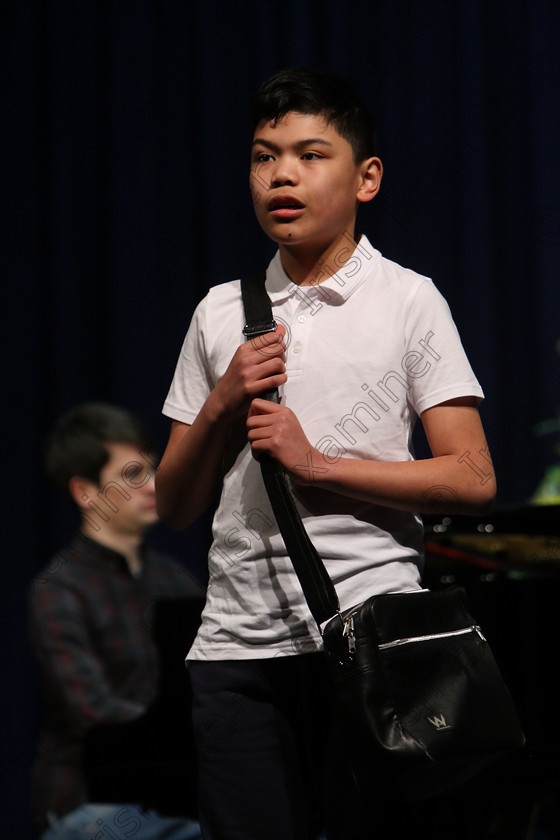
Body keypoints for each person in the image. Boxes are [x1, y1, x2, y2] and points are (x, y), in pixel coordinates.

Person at [155, 68, 496, 839]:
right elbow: (172, 504)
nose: (281, 174)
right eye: (262, 156)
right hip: (236, 649)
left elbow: (473, 478)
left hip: (374, 642)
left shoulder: (409, 300)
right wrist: (221, 403)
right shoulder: (218, 311)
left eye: (311, 154)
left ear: (366, 177)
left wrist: (318, 465)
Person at [28, 402, 204, 840]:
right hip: (92, 800)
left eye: (151, 468)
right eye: (132, 475)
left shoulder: (176, 578)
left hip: (176, 789)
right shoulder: (59, 588)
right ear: (85, 493)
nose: (152, 485)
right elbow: (94, 712)